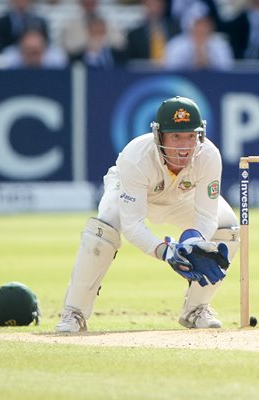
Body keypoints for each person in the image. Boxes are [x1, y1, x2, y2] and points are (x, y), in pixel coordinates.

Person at [56, 96, 240, 333]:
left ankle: (196, 309)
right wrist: (167, 253)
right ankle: (74, 312)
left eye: (190, 136)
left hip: (181, 198)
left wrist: (193, 242)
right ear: (159, 135)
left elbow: (207, 216)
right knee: (105, 223)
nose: (184, 146)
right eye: (176, 136)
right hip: (131, 192)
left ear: (200, 135)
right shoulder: (136, 156)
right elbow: (132, 225)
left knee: (229, 228)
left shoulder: (209, 155)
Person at [163, 15, 233, 70]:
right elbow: (170, 68)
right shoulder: (177, 45)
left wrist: (208, 60)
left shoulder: (220, 44)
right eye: (197, 29)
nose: (200, 31)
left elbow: (226, 68)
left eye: (203, 30)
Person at [126, 0, 181, 67]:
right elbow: (131, 63)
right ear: (144, 6)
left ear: (163, 5)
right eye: (150, 3)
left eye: (157, 3)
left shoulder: (176, 29)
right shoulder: (134, 35)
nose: (153, 7)